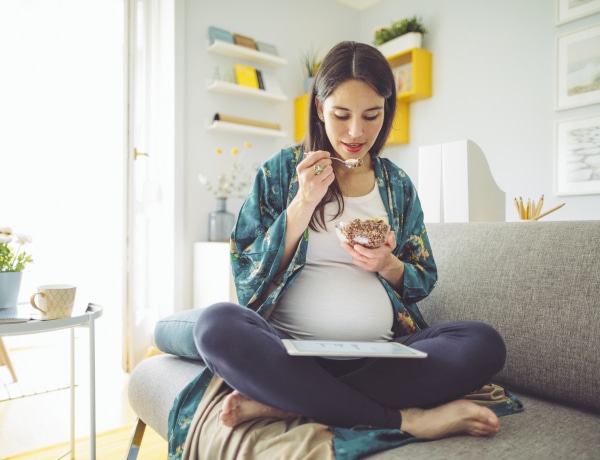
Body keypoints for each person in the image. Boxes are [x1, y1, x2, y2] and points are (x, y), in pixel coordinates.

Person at [193, 41, 506, 440]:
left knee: (483, 343)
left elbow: (423, 278)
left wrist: (387, 264)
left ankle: (288, 401)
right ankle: (405, 419)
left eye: (371, 115)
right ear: (320, 109)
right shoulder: (281, 173)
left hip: (381, 357)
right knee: (216, 325)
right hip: (290, 354)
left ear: (386, 111)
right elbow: (246, 282)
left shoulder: (397, 186)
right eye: (341, 115)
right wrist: (303, 203)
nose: (357, 132)